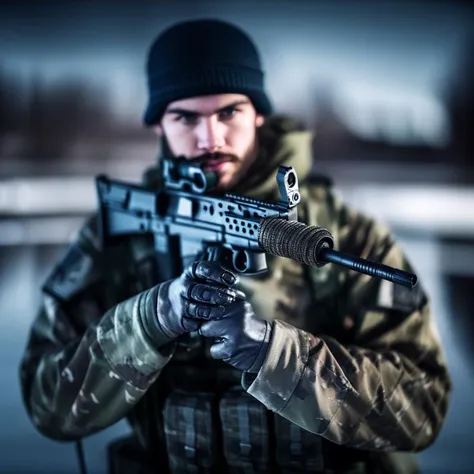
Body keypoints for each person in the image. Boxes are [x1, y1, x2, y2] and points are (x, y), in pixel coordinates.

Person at [19, 19, 452, 474]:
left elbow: (423, 406)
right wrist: (151, 319)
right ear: (157, 126)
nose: (210, 140)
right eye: (185, 117)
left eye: (229, 112)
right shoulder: (118, 234)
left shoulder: (351, 235)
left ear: (259, 114)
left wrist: (274, 355)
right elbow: (48, 405)